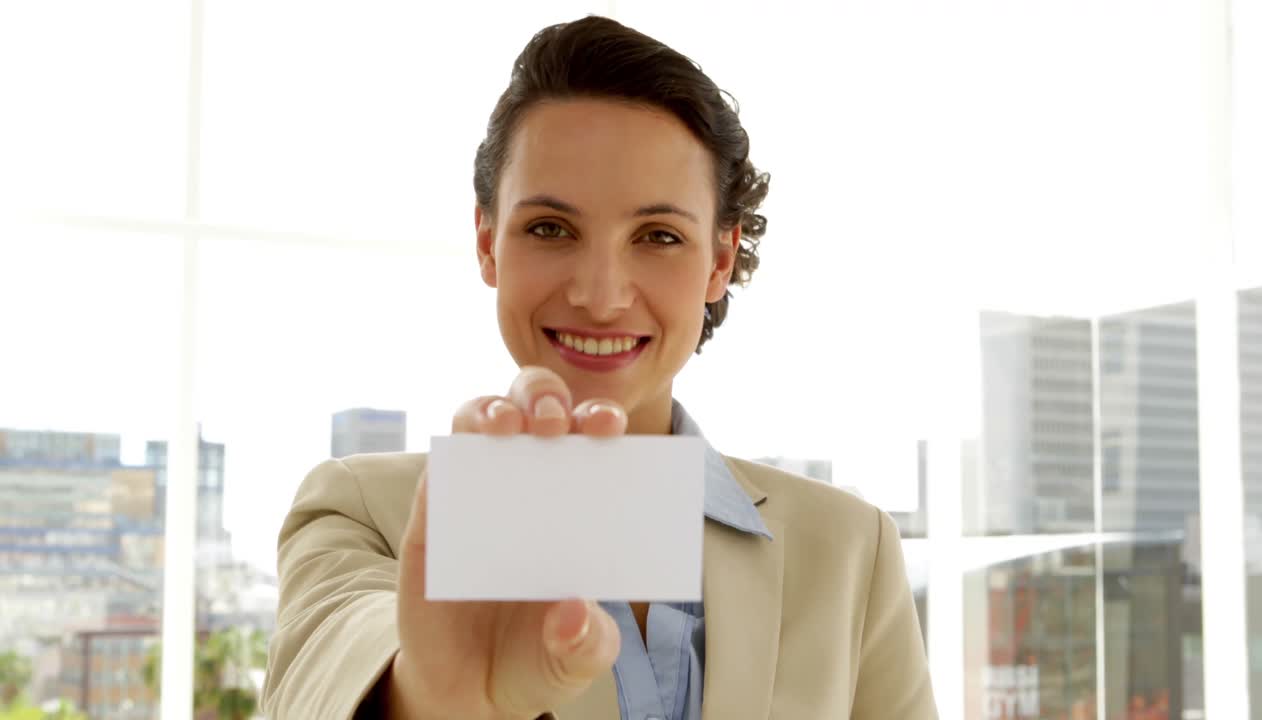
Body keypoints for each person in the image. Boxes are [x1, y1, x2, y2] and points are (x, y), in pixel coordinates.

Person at [262, 15, 936, 720]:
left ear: (719, 260)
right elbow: (321, 675)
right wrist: (428, 696)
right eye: (551, 229)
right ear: (489, 243)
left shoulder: (851, 551)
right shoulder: (361, 511)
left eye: (658, 236)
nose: (601, 295)